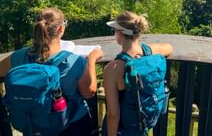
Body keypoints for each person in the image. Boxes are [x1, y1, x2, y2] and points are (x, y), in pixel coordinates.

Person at [0, 7, 103, 136]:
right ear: (60, 29)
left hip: (34, 123)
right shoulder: (74, 61)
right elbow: (89, 92)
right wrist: (91, 60)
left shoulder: (18, 57)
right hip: (71, 125)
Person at [103, 11, 173, 136]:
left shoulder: (112, 69)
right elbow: (168, 48)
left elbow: (113, 115)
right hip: (143, 123)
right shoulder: (148, 51)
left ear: (119, 33)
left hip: (124, 129)